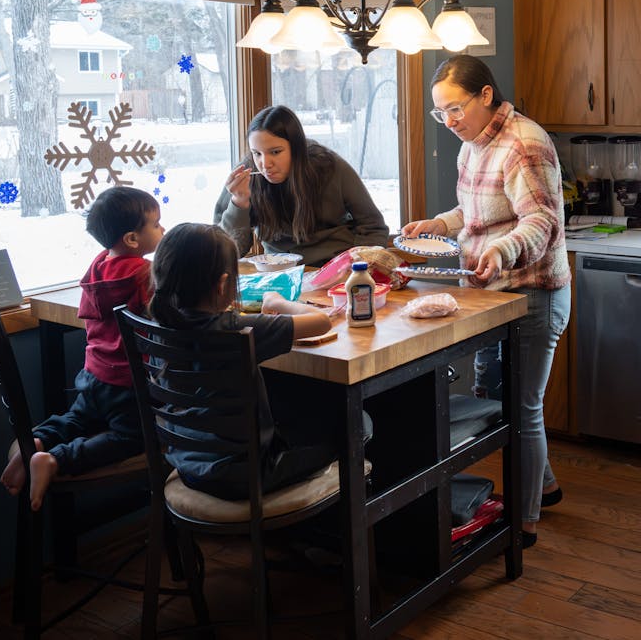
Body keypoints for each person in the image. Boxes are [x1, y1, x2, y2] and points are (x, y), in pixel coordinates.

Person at [401, 54, 571, 548]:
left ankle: (525, 522)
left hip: (533, 295)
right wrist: (440, 224)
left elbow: (541, 221)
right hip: (490, 295)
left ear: (485, 96)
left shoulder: (524, 144)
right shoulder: (473, 145)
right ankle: (545, 485)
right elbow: (476, 210)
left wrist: (501, 250)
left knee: (522, 408)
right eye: (440, 113)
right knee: (496, 401)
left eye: (454, 109)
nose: (449, 121)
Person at [145, 222, 345, 500]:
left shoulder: (159, 326)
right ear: (222, 284)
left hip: (188, 466)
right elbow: (322, 321)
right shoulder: (237, 330)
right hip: (248, 475)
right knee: (355, 426)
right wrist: (278, 302)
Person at [0, 185, 164, 511]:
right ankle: (56, 459)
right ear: (132, 239)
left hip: (93, 375)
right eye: (157, 224)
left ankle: (37, 440)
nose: (163, 229)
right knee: (133, 436)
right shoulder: (144, 274)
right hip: (129, 385)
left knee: (77, 419)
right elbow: (164, 316)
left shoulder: (100, 264)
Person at [214, 105, 391, 267]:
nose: (265, 163)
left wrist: (354, 266)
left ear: (297, 148)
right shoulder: (245, 176)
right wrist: (239, 203)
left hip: (336, 268)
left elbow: (374, 227)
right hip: (280, 272)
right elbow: (228, 251)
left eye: (275, 152)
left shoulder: (329, 166)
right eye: (257, 153)